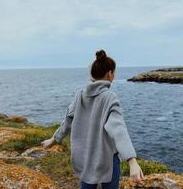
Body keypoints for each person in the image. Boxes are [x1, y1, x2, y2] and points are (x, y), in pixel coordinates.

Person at [41, 49, 144, 189]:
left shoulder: (80, 95)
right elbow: (118, 128)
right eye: (114, 72)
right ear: (110, 73)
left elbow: (67, 121)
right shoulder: (109, 97)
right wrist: (132, 162)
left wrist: (53, 140)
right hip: (106, 158)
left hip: (85, 157)